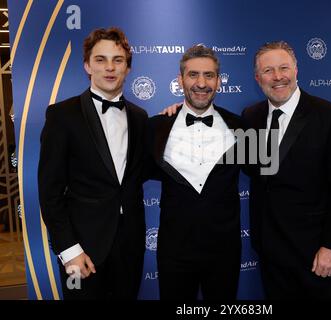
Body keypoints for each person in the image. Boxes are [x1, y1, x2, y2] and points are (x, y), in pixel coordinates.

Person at [241, 41, 331, 300]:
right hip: (270, 251)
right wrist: (178, 113)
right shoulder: (250, 116)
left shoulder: (330, 117)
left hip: (316, 253)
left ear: (296, 70)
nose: (277, 76)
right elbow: (250, 168)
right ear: (257, 77)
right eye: (268, 70)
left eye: (284, 67)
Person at [38, 27, 150, 299]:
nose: (110, 68)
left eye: (118, 60)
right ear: (87, 65)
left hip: (130, 247)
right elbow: (49, 191)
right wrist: (69, 250)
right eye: (101, 60)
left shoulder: (140, 116)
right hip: (81, 250)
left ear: (128, 68)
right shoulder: (62, 115)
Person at [147, 45, 244, 300]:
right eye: (193, 75)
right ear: (180, 80)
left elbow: (268, 175)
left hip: (225, 252)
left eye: (209, 75)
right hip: (174, 253)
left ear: (218, 81)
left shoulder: (240, 126)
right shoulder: (157, 127)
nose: (201, 83)